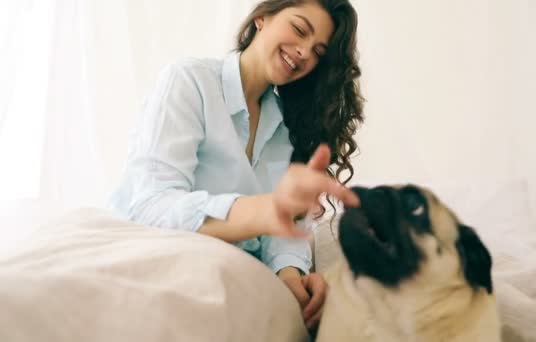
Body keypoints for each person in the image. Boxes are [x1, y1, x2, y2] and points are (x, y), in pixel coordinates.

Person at [108, 0, 363, 331]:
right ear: (262, 18)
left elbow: (281, 230)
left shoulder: (283, 126)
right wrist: (260, 212)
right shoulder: (190, 81)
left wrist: (292, 276)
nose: (303, 52)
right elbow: (150, 205)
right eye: (299, 30)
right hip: (153, 262)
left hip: (227, 278)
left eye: (317, 51)